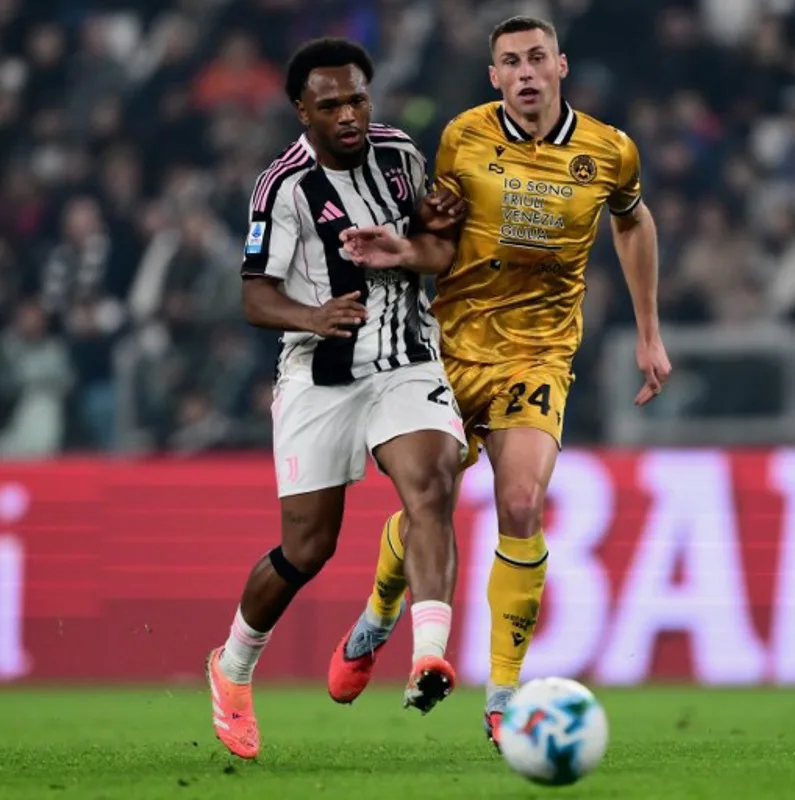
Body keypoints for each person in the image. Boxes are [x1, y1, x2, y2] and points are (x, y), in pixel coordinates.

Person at [325, 15, 671, 749]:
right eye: (510, 61)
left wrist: (648, 332)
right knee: (429, 503)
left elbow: (633, 223)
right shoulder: (463, 137)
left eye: (536, 57)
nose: (525, 72)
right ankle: (381, 611)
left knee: (520, 503)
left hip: (538, 357)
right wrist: (404, 246)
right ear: (494, 77)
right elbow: (438, 240)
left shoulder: (609, 151)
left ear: (560, 65)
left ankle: (503, 692)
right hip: (450, 348)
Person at [206, 37, 470, 760]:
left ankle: (429, 656)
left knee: (431, 486)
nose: (349, 115)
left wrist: (432, 232)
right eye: (331, 105)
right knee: (308, 547)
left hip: (406, 357)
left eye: (357, 98)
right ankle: (232, 668)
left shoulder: (401, 156)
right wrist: (313, 316)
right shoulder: (282, 187)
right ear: (303, 110)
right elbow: (254, 297)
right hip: (319, 373)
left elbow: (437, 255)